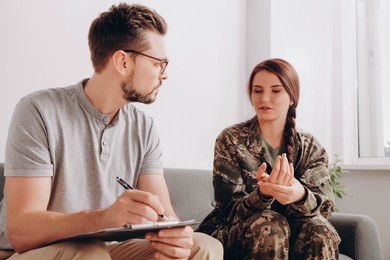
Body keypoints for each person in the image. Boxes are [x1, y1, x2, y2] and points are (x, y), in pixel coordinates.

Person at [0, 3, 223, 260]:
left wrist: (175, 235)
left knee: (205, 246)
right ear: (123, 61)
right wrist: (103, 218)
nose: (164, 75)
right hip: (32, 252)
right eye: (158, 64)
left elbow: (165, 214)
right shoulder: (39, 110)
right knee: (90, 253)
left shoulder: (143, 128)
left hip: (108, 250)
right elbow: (20, 231)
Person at [197, 58, 341, 259]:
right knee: (271, 224)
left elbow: (324, 208)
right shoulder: (231, 139)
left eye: (275, 91)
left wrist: (299, 195)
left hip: (290, 228)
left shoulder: (309, 147)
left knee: (321, 230)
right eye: (257, 91)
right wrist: (262, 194)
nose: (265, 98)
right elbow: (228, 210)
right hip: (233, 231)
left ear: (292, 97)